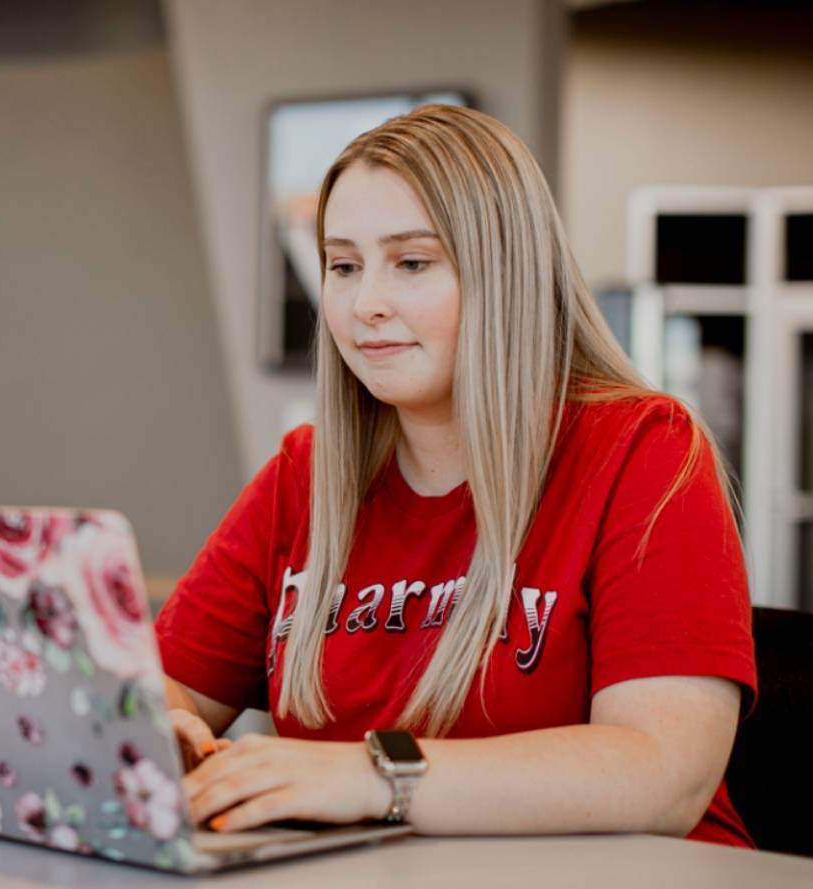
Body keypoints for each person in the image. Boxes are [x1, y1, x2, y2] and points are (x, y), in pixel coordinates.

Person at [154, 104, 756, 846]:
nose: (363, 304)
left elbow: (663, 772)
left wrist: (371, 775)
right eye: (342, 266)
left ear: (508, 275)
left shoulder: (644, 450)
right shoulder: (304, 474)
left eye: (411, 262)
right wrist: (156, 723)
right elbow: (167, 684)